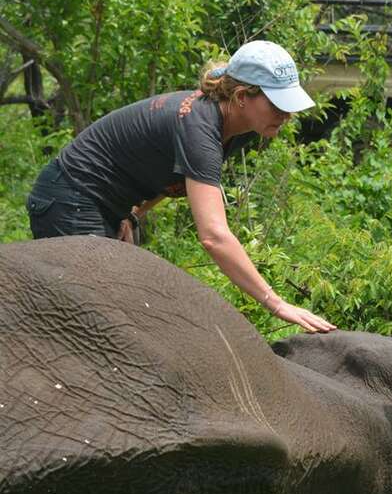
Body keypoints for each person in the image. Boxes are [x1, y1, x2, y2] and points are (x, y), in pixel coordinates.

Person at [26, 40, 335, 334]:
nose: (287, 115)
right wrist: (276, 304)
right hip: (69, 197)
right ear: (242, 96)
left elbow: (164, 170)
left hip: (106, 203)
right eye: (278, 104)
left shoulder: (238, 126)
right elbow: (214, 236)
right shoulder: (200, 128)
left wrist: (133, 213)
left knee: (124, 310)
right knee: (100, 319)